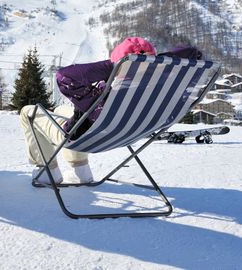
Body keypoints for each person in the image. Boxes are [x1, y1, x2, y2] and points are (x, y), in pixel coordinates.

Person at [20, 37, 202, 184]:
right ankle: (81, 172)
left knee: (29, 112)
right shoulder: (157, 89)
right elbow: (193, 53)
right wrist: (153, 63)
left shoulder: (108, 94)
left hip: (86, 137)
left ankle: (48, 173)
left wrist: (112, 66)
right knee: (62, 109)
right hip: (126, 135)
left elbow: (65, 77)